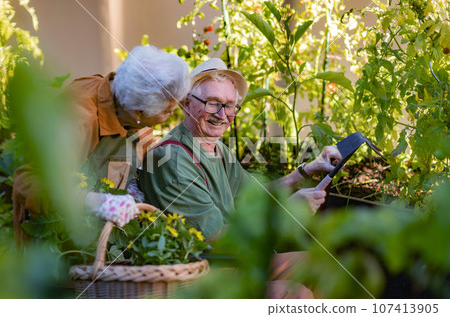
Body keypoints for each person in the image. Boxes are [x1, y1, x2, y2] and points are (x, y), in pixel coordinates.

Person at [138, 58, 341, 240]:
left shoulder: (216, 149)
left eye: (229, 106)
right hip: (208, 273)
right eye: (212, 103)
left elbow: (257, 196)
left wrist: (308, 170)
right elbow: (216, 238)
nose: (222, 114)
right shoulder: (172, 161)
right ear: (186, 103)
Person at [13, 45, 190, 239]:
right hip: (57, 243)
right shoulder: (78, 119)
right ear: (137, 113)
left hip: (100, 242)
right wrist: (97, 202)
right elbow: (30, 182)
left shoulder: (131, 100)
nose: (172, 114)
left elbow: (143, 149)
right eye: (167, 111)